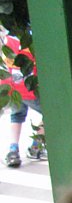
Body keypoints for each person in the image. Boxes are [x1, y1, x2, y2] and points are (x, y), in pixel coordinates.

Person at [1, 30, 47, 166]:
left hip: (12, 87)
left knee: (16, 116)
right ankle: (35, 148)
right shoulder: (34, 37)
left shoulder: (9, 38)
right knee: (51, 114)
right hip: (29, 87)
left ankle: (13, 150)